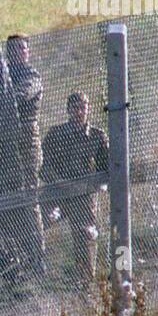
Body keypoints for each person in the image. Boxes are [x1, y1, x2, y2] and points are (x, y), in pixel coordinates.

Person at [41, 91, 109, 283]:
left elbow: (105, 169)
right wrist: (57, 181)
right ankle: (32, 276)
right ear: (68, 110)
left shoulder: (96, 136)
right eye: (75, 108)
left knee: (85, 237)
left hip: (83, 196)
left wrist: (93, 186)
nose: (79, 112)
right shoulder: (55, 135)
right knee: (36, 227)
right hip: (58, 193)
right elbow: (42, 166)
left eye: (83, 107)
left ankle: (85, 282)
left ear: (88, 109)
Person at [7, 33, 45, 275]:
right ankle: (19, 259)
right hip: (6, 144)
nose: (20, 52)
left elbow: (20, 97)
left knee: (29, 200)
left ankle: (37, 259)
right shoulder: (3, 73)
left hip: (26, 142)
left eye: (23, 48)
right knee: (12, 200)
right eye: (15, 48)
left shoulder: (31, 76)